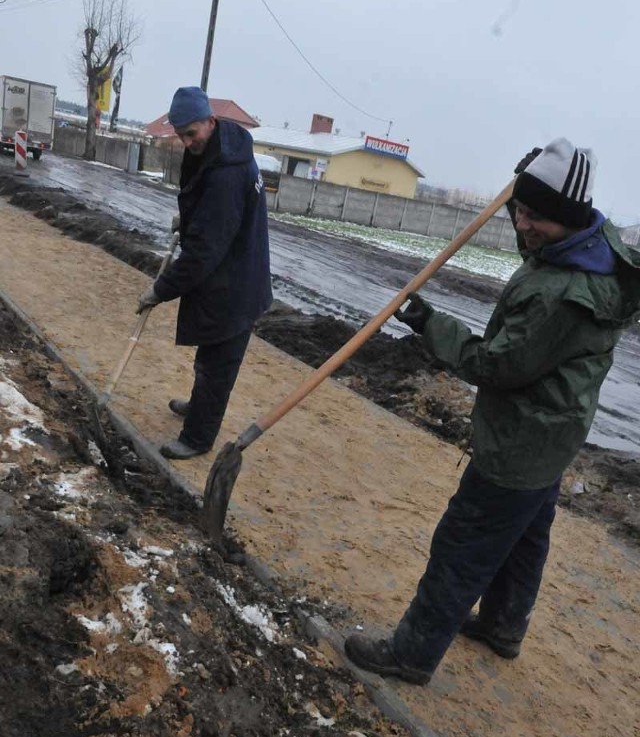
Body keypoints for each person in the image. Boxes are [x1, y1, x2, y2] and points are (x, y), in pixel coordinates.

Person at [345, 137, 640, 686]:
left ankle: (411, 653)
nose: (523, 225)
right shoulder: (589, 247)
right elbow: (541, 219)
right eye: (519, 210)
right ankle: (503, 627)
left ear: (566, 218)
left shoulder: (562, 293)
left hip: (518, 443)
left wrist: (432, 324)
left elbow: (498, 366)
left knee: (463, 546)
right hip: (554, 434)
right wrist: (524, 183)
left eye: (535, 217)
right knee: (526, 537)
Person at [137, 85, 272, 460]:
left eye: (191, 133)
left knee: (217, 366)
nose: (186, 141)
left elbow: (202, 253)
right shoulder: (221, 147)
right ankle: (197, 409)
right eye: (180, 135)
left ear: (211, 121)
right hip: (228, 273)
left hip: (237, 284)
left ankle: (197, 439)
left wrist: (159, 290)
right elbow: (215, 216)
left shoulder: (228, 172)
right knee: (208, 356)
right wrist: (192, 219)